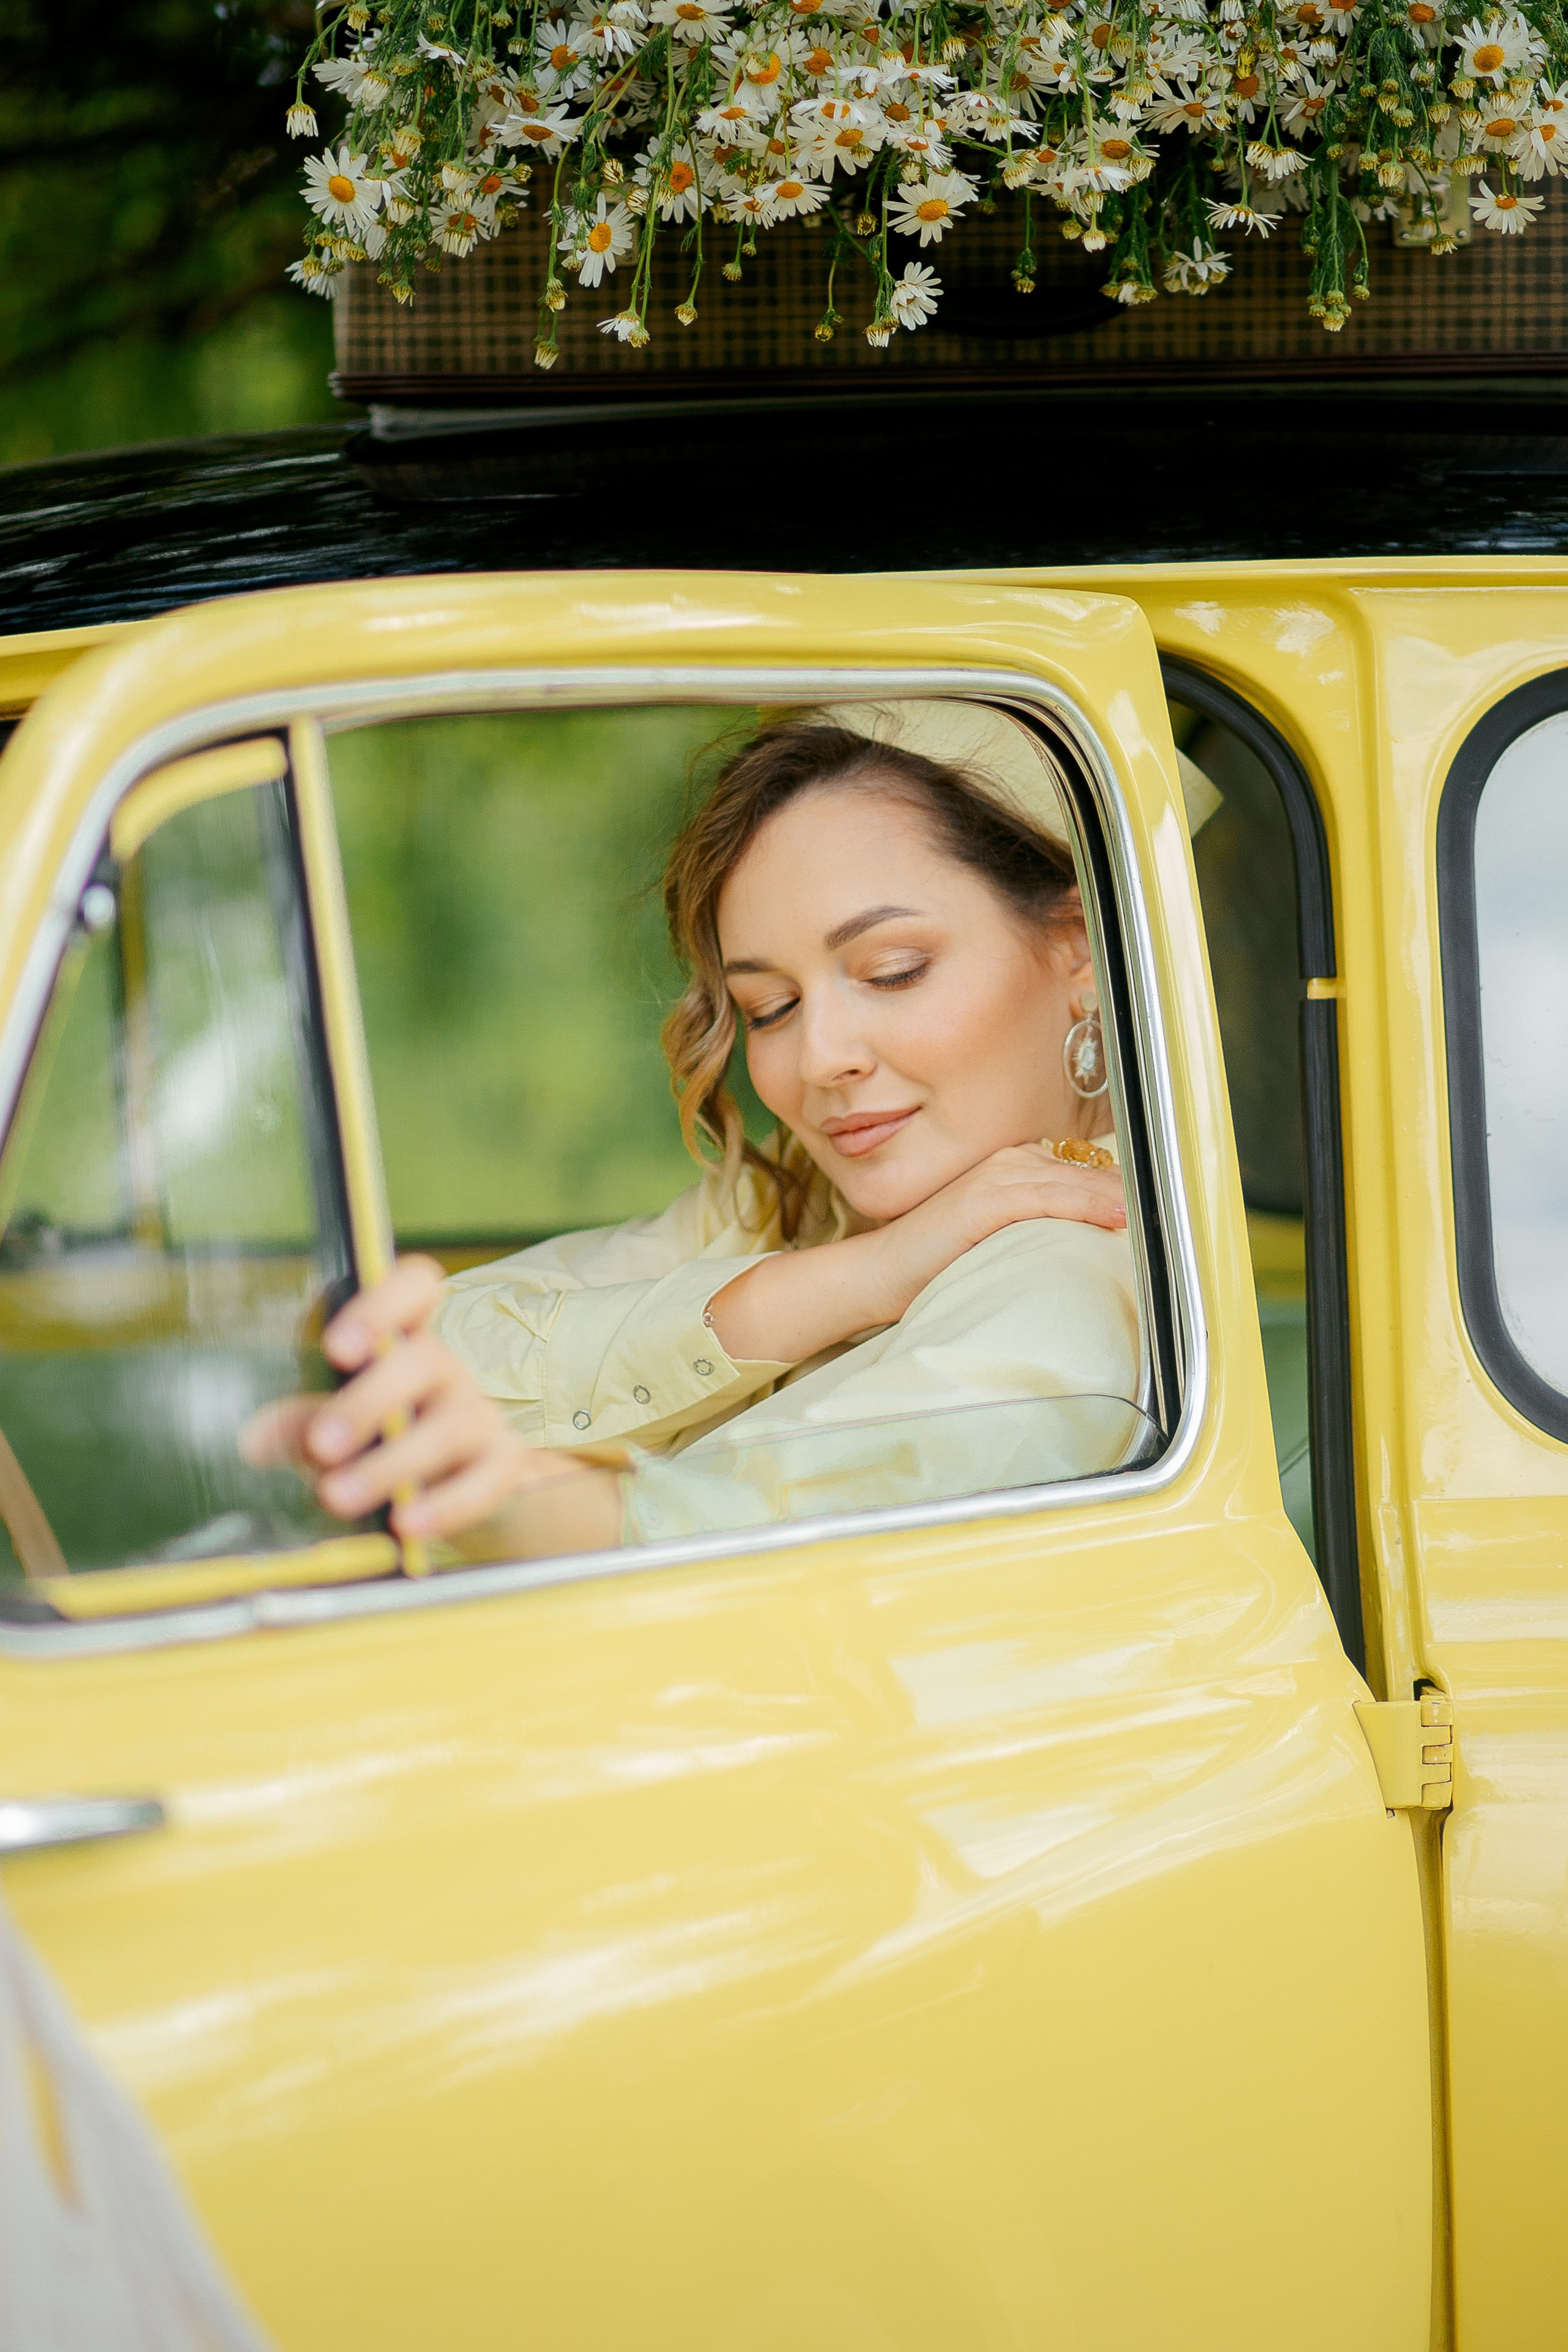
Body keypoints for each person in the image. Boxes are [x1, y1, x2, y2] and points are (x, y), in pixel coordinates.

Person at [247, 701, 1186, 1561]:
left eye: (892, 970)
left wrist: (523, 1501)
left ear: (1076, 949)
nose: (820, 1058)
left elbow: (751, 1560)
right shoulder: (794, 1204)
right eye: (769, 1007)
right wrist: (857, 1276)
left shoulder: (1074, 1278)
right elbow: (439, 1353)